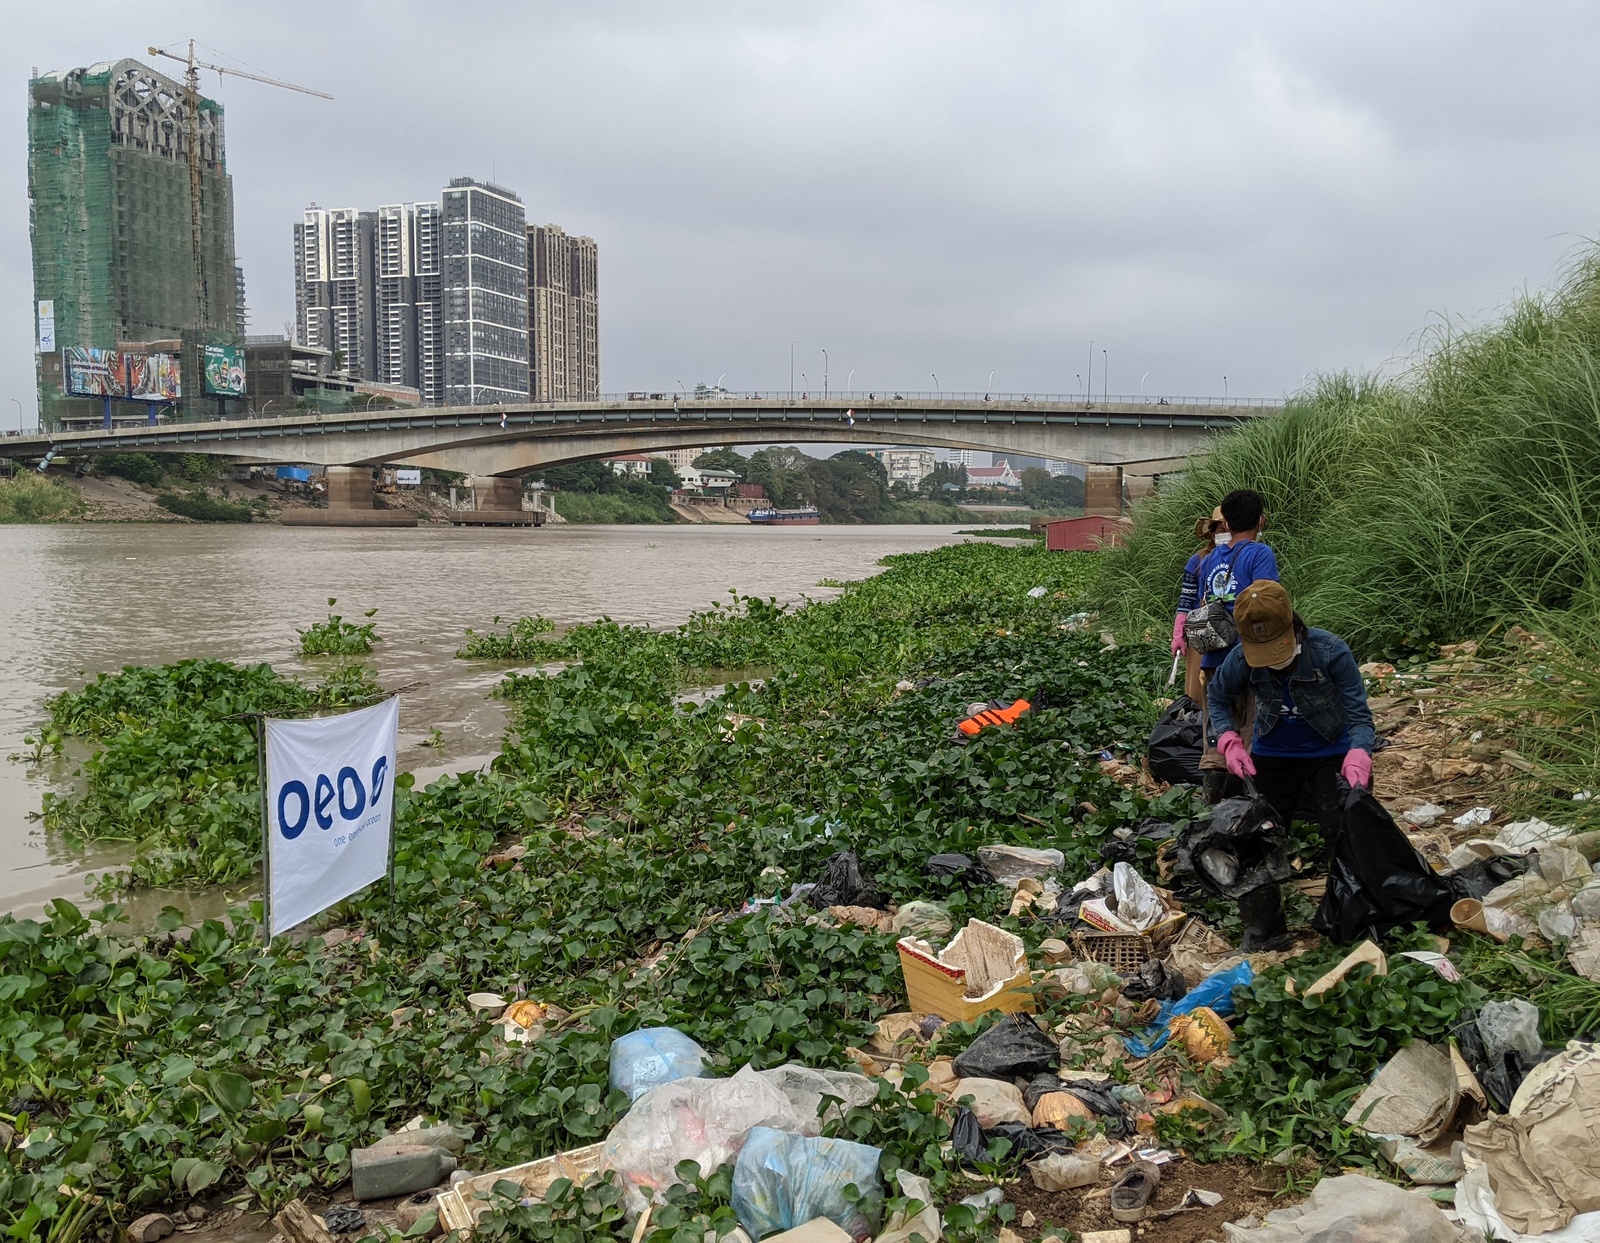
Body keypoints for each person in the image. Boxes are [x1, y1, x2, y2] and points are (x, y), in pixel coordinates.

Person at [1205, 580, 1375, 948]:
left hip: (1331, 753)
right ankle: (1266, 932)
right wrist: (1228, 740)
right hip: (1273, 756)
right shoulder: (1238, 659)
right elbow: (1217, 698)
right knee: (1255, 840)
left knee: (1347, 836)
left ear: (1295, 628)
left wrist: (1360, 753)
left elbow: (1360, 717)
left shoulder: (1330, 651)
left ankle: (1353, 924)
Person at [1192, 489, 1279, 796]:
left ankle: (1213, 801)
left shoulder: (1209, 558)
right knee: (1252, 723)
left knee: (1217, 724)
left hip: (1214, 653)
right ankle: (1249, 799)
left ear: (1225, 524)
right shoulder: (1260, 554)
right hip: (1249, 653)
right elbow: (1266, 603)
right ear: (1261, 520)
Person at [1172, 505, 1227, 703]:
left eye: (1230, 530)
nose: (1226, 534)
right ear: (1212, 533)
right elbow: (1186, 598)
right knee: (1198, 692)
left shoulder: (1244, 556)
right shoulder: (1197, 560)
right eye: (1221, 530)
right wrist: (1178, 633)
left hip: (1233, 630)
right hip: (1202, 630)